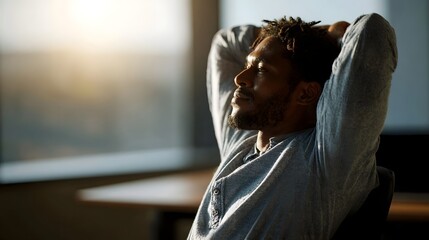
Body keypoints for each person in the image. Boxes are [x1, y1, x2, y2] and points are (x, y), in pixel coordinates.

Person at [187, 12, 398, 239]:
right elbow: (225, 44)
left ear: (306, 93)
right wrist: (282, 34)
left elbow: (372, 32)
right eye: (248, 64)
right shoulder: (239, 144)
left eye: (261, 70)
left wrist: (328, 34)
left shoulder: (325, 158)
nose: (241, 78)